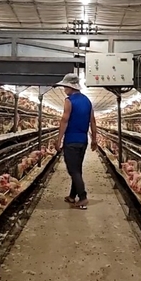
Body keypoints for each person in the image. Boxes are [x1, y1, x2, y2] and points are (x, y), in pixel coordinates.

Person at [55, 73, 97, 210]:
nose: (64, 90)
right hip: (83, 140)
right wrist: (94, 139)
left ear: (70, 87)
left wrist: (59, 139)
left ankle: (83, 197)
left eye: (65, 87)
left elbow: (64, 120)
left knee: (72, 169)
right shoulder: (87, 101)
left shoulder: (69, 100)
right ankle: (72, 196)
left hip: (71, 140)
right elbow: (92, 121)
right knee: (77, 169)